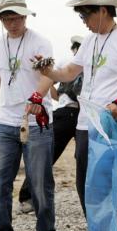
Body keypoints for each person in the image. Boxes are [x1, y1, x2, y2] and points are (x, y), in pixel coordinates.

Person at [36, 0, 117, 231]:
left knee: (109, 185)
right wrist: (48, 72)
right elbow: (70, 72)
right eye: (80, 14)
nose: (83, 20)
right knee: (85, 185)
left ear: (103, 10)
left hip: (111, 122)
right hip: (85, 121)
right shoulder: (90, 41)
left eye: (86, 13)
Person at [0, 0, 56, 231]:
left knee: (39, 181)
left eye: (18, 18)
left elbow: (49, 76)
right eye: (8, 18)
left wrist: (37, 97)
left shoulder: (40, 42)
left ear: (25, 16)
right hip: (5, 122)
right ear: (1, 19)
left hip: (36, 121)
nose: (13, 23)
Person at [17, 35, 84, 214]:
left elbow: (49, 83)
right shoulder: (81, 61)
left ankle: (27, 197)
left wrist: (60, 97)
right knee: (82, 157)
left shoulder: (66, 60)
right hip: (80, 113)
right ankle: (88, 198)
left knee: (47, 156)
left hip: (65, 111)